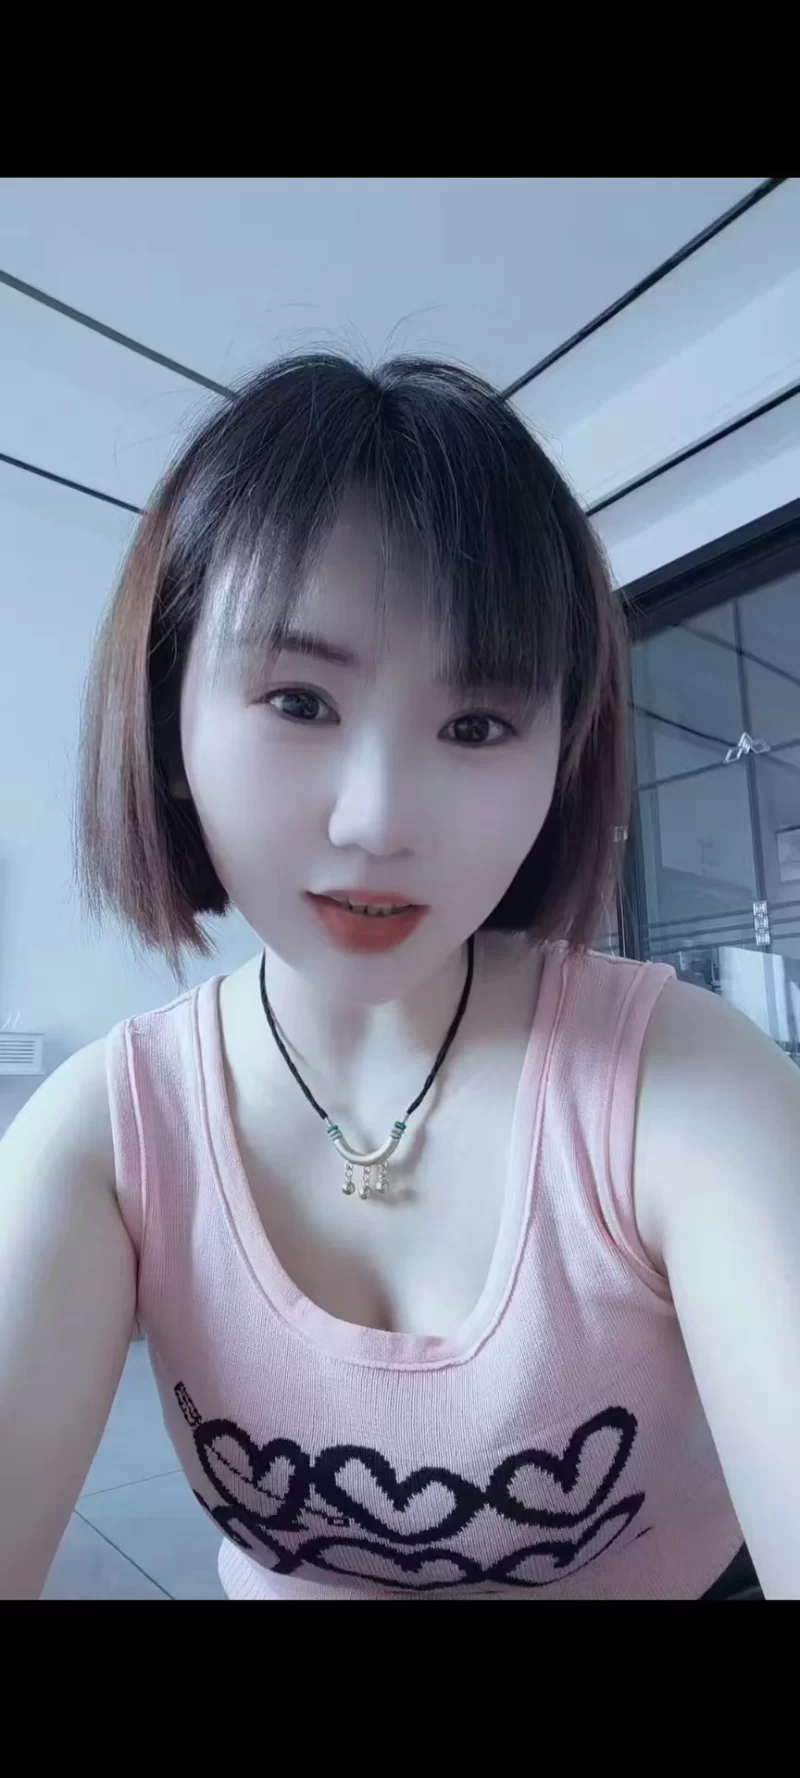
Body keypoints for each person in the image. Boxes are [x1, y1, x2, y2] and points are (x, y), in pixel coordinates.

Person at [1, 354, 798, 1602]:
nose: (376, 820)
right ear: (166, 725)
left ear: (558, 756)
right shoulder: (105, 1136)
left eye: (475, 725)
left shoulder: (686, 1089)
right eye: (298, 700)